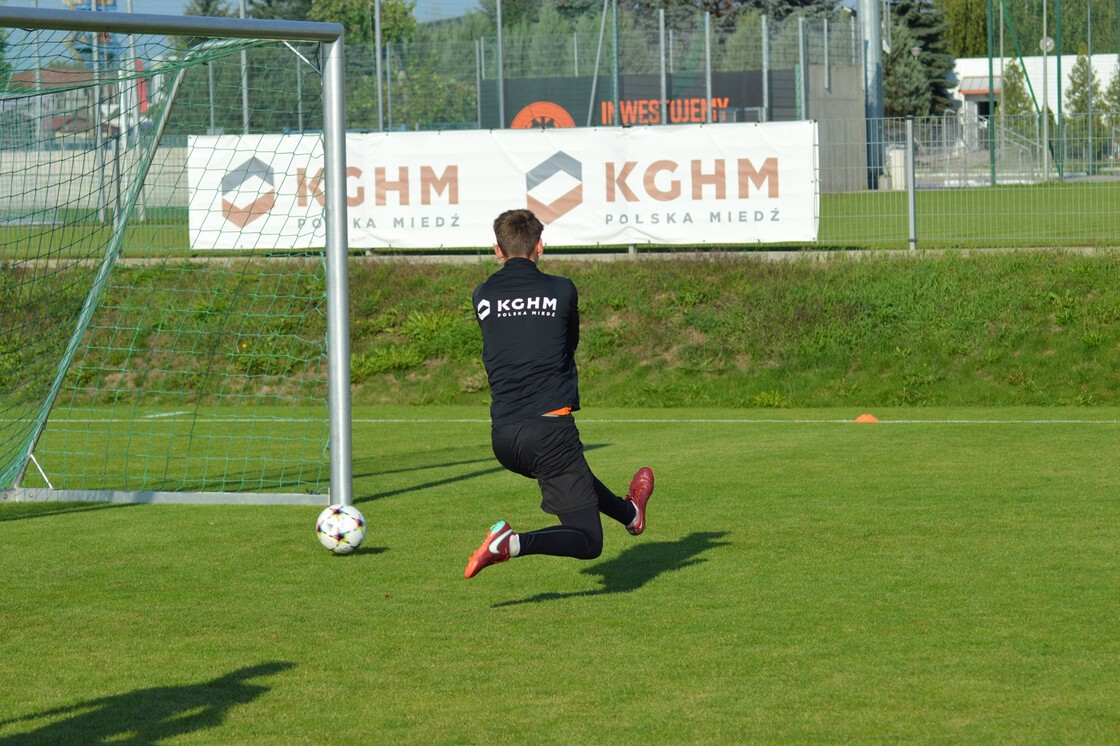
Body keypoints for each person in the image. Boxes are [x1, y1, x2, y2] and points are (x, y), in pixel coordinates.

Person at [465, 208, 654, 579]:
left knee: (576, 479)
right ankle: (511, 543)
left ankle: (631, 514)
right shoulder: (562, 289)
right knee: (588, 541)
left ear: (496, 251)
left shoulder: (482, 293)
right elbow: (569, 343)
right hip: (549, 432)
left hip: (503, 437)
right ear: (540, 246)